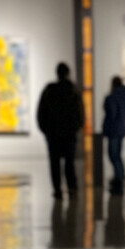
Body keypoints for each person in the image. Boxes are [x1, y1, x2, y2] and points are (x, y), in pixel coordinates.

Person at [37, 62, 83, 199]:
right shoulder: (73, 91)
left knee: (54, 164)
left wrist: (46, 130)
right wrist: (75, 129)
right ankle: (72, 188)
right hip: (69, 134)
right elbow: (80, 114)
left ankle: (57, 190)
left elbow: (41, 114)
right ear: (68, 73)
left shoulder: (49, 90)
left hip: (53, 134)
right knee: (70, 163)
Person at [102, 75, 125, 195]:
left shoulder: (112, 97)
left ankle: (118, 179)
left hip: (113, 129)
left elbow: (112, 113)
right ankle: (119, 177)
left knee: (113, 155)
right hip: (121, 129)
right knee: (117, 155)